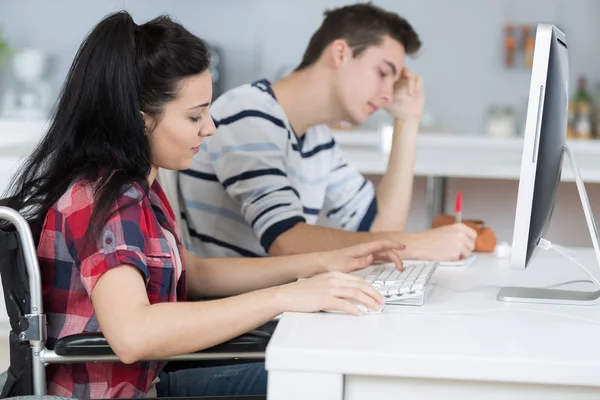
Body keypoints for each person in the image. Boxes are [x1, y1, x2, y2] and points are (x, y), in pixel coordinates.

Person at [4, 11, 404, 399]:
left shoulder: (140, 185)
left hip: (149, 384)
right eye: (195, 116)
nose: (209, 128)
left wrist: (317, 266)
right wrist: (285, 297)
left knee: (320, 375)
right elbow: (133, 334)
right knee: (321, 383)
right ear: (141, 120)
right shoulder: (103, 199)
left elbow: (195, 275)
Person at [179, 2, 478, 263]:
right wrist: (421, 243)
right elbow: (288, 243)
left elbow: (379, 229)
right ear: (340, 53)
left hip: (284, 307)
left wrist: (407, 121)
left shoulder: (316, 136)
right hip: (251, 319)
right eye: (383, 73)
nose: (388, 95)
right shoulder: (248, 112)